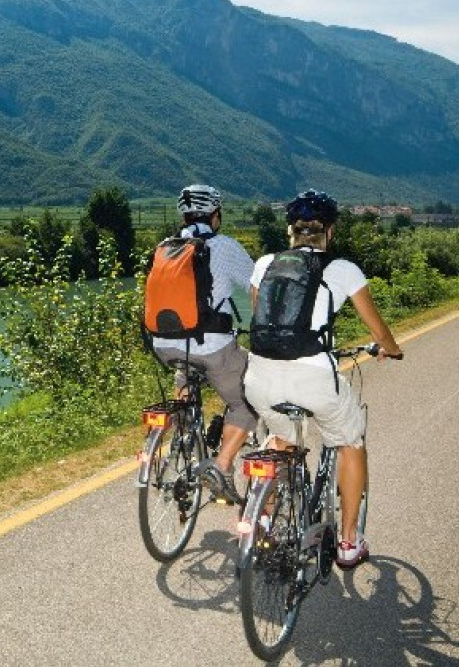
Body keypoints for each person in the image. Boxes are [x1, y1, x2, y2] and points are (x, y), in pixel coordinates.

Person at [243, 189, 403, 569]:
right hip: (313, 377)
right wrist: (391, 349)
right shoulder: (344, 270)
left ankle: (262, 519)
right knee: (350, 441)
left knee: (279, 440)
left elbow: (262, 318)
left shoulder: (266, 263)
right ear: (329, 232)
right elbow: (379, 332)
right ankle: (349, 542)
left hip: (260, 377)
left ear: (291, 232)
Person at [148, 184, 258, 504]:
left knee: (184, 368)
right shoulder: (224, 246)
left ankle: (184, 437)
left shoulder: (164, 248)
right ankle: (222, 468)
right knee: (247, 399)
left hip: (164, 345)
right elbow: (258, 286)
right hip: (211, 344)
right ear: (215, 215)